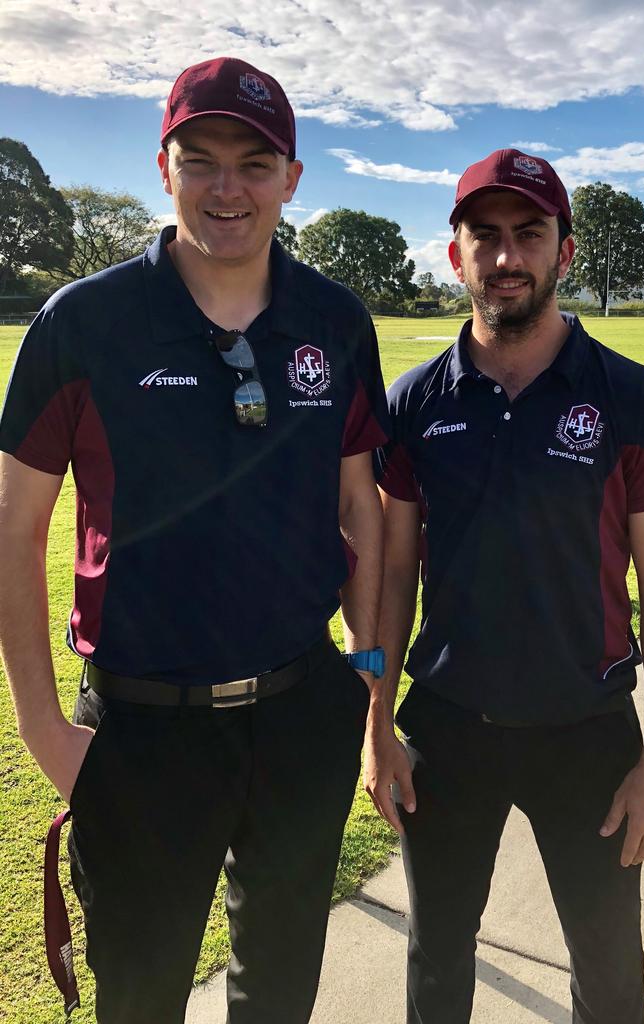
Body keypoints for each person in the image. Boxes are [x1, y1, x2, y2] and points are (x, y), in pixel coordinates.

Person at [0, 57, 389, 1024]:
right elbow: (14, 533)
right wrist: (45, 730)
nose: (228, 188)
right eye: (201, 159)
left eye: (255, 164)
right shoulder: (82, 323)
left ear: (292, 178)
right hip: (141, 727)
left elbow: (360, 509)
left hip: (301, 715)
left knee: (281, 986)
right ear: (161, 166)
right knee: (139, 996)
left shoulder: (336, 321)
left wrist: (367, 664)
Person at [364, 148, 644, 1023]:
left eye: (529, 234)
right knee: (435, 960)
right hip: (445, 727)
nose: (506, 256)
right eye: (486, 236)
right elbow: (392, 573)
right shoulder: (414, 402)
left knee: (609, 971)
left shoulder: (631, 398)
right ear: (456, 255)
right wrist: (376, 726)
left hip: (586, 731)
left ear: (565, 252)